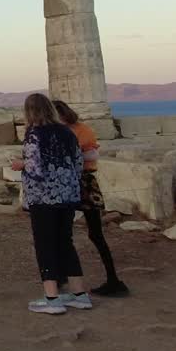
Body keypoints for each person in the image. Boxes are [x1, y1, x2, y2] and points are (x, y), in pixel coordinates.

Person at [11, 94, 90, 315]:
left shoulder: (34, 134)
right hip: (67, 197)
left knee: (45, 245)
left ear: (29, 112)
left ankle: (52, 298)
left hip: (43, 198)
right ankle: (80, 295)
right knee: (66, 243)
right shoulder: (67, 132)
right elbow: (78, 163)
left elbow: (35, 169)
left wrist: (20, 164)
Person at [53, 99, 129, 297]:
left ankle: (113, 280)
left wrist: (68, 154)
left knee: (95, 233)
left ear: (62, 115)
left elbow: (92, 155)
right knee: (62, 233)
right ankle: (61, 276)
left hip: (84, 183)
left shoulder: (81, 130)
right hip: (66, 182)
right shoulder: (60, 131)